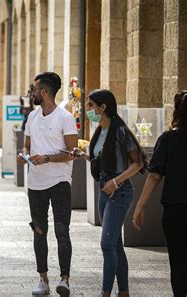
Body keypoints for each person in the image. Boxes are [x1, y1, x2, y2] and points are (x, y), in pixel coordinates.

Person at [71, 89, 145, 297]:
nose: (88, 110)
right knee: (115, 245)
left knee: (106, 244)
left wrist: (115, 181)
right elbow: (102, 161)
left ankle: (105, 293)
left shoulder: (120, 130)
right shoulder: (100, 131)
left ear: (103, 107)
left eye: (91, 105)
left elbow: (137, 163)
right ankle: (123, 292)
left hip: (119, 192)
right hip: (104, 190)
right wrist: (83, 156)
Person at [16, 72, 78, 296]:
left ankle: (65, 280)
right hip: (36, 184)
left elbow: (72, 153)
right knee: (39, 231)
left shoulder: (65, 117)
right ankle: (43, 279)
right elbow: (27, 146)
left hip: (60, 181)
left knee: (62, 231)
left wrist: (48, 158)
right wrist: (23, 156)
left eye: (33, 90)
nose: (31, 93)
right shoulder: (32, 117)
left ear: (44, 92)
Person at [132, 90, 187, 297]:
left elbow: (154, 176)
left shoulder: (168, 139)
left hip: (175, 209)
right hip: (175, 208)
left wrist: (140, 206)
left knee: (178, 260)